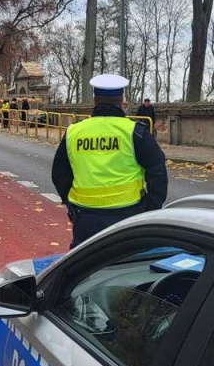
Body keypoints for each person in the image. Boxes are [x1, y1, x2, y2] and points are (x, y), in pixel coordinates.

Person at [52, 74, 168, 248]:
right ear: (121, 101)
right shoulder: (135, 132)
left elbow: (59, 173)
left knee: (83, 267)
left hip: (85, 216)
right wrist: (151, 208)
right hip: (128, 214)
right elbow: (157, 169)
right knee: (127, 266)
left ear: (95, 100)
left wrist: (69, 204)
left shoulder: (74, 132)